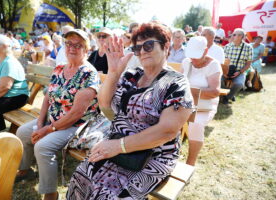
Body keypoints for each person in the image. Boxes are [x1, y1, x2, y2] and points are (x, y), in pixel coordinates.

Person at [66, 22, 193, 200]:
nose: (142, 51)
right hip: (115, 146)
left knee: (109, 195)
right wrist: (114, 71)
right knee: (81, 177)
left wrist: (119, 146)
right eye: (137, 47)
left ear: (165, 47)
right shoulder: (131, 75)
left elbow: (167, 131)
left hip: (152, 155)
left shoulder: (176, 83)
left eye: (148, 45)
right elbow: (104, 105)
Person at [16, 29, 99, 200]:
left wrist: (48, 129)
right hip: (52, 119)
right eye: (69, 43)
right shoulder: (60, 68)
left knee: (43, 146)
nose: (72, 48)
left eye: (78, 45)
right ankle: (25, 170)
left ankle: (51, 194)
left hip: (75, 125)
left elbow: (76, 113)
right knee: (23, 132)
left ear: (86, 49)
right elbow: (48, 96)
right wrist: (40, 123)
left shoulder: (89, 74)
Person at [181, 36, 222, 166]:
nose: (192, 59)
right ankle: (168, 155)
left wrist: (192, 92)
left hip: (205, 103)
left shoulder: (213, 65)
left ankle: (190, 162)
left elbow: (215, 92)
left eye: (196, 56)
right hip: (186, 102)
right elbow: (179, 82)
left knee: (196, 124)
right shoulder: (186, 62)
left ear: (205, 51)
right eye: (191, 55)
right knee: (167, 117)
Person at [222, 28, 253, 104]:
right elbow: (222, 61)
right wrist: (224, 72)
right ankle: (228, 93)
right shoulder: (227, 47)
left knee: (239, 84)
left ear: (241, 37)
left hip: (239, 71)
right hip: (226, 70)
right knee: (219, 80)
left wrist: (239, 72)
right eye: (233, 34)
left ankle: (227, 97)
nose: (232, 36)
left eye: (235, 35)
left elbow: (248, 64)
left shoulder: (248, 47)